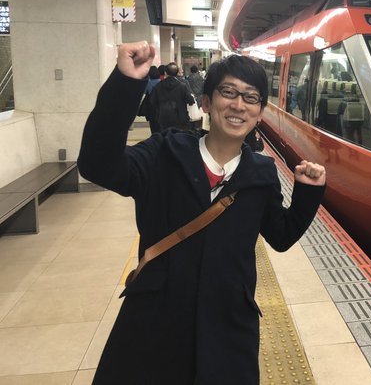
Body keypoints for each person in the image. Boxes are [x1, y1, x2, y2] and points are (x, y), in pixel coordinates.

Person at [78, 41, 326, 384]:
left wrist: (308, 194)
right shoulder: (165, 152)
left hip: (228, 328)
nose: (238, 104)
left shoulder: (261, 173)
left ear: (260, 112)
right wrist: (125, 84)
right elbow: (98, 165)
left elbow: (281, 236)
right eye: (228, 92)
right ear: (207, 102)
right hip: (154, 323)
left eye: (251, 97)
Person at [148, 62, 195, 132]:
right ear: (177, 73)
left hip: (163, 118)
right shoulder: (182, 86)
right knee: (180, 136)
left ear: (165, 73)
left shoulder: (158, 86)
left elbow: (152, 102)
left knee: (165, 136)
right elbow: (191, 101)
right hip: (180, 118)